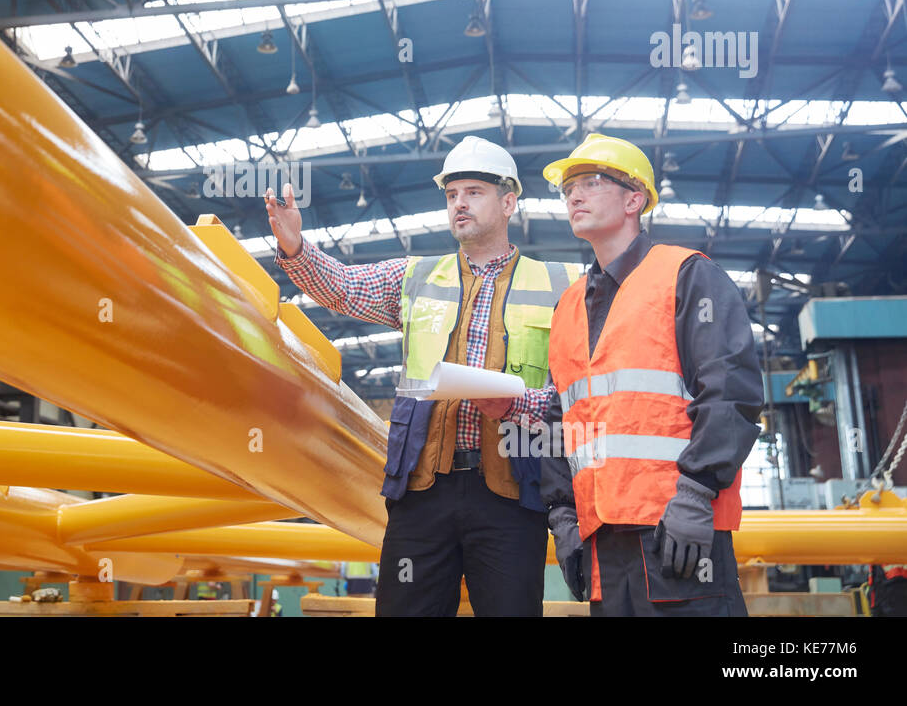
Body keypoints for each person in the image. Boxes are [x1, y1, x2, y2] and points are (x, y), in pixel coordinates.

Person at [266, 135, 578, 616]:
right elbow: (344, 289)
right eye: (452, 195)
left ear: (509, 201)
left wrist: (523, 404)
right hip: (423, 491)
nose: (460, 204)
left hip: (512, 494)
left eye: (474, 192)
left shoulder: (561, 284)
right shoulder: (414, 276)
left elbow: (580, 387)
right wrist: (295, 246)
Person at [539, 133, 763, 616]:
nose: (573, 195)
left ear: (634, 199)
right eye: (568, 187)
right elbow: (558, 418)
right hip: (601, 541)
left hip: (678, 529)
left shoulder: (687, 275)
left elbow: (731, 393)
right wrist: (562, 516)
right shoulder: (568, 306)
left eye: (591, 181)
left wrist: (696, 492)